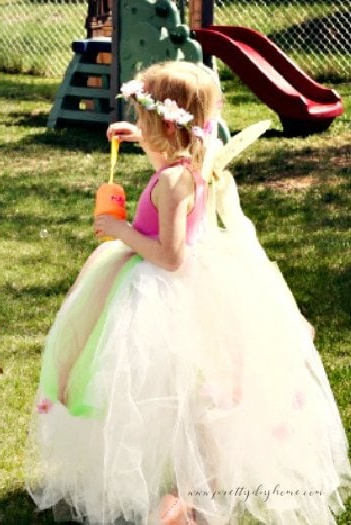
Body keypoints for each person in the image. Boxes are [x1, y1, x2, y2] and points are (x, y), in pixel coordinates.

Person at [26, 61, 350, 525]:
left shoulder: (175, 181)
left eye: (142, 120)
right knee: (195, 397)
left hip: (166, 292)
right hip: (194, 282)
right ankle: (194, 491)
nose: (138, 126)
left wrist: (120, 230)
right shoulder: (194, 159)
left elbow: (170, 256)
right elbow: (179, 157)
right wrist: (137, 137)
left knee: (177, 396)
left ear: (164, 125)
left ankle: (191, 499)